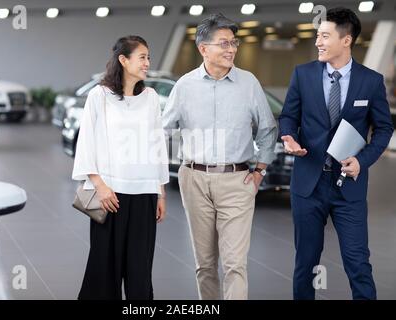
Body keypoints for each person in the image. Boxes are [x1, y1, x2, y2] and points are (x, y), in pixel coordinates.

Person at [279, 7, 393, 300]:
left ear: (346, 39)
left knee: (358, 264)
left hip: (349, 188)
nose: (318, 42)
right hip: (308, 185)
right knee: (306, 264)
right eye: (317, 35)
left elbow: (383, 129)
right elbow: (288, 117)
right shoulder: (302, 75)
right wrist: (288, 137)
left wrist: (363, 160)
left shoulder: (371, 81)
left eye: (325, 36)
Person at [162, 13, 277, 300]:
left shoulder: (248, 83)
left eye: (234, 43)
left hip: (238, 181)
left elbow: (267, 129)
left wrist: (260, 169)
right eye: (224, 44)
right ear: (203, 49)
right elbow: (162, 131)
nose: (231, 49)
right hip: (194, 180)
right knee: (205, 264)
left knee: (235, 264)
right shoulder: (184, 86)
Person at [72, 35, 169, 300]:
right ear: (123, 60)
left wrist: (160, 191)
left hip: (145, 194)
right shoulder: (99, 96)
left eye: (149, 57)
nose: (148, 62)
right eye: (142, 57)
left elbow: (156, 146)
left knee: (140, 274)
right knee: (104, 272)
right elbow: (87, 143)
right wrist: (100, 186)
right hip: (109, 196)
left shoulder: (150, 98)